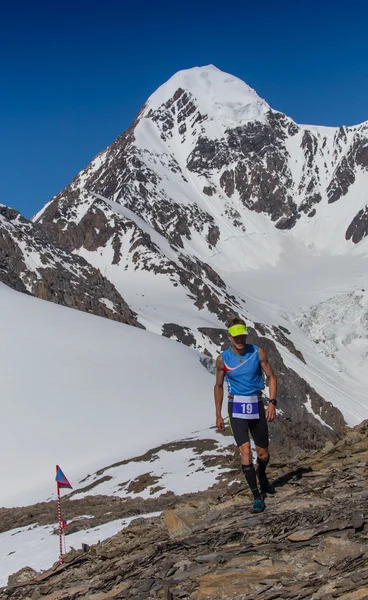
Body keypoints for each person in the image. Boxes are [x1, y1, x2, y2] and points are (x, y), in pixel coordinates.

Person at [214, 317, 277, 513]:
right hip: (237, 408)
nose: (240, 340)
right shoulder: (222, 359)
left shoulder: (257, 352)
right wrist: (218, 414)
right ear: (229, 337)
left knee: (263, 454)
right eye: (236, 337)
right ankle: (257, 497)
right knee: (246, 452)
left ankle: (263, 475)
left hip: (256, 405)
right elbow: (218, 386)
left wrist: (272, 403)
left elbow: (272, 377)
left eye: (242, 336)